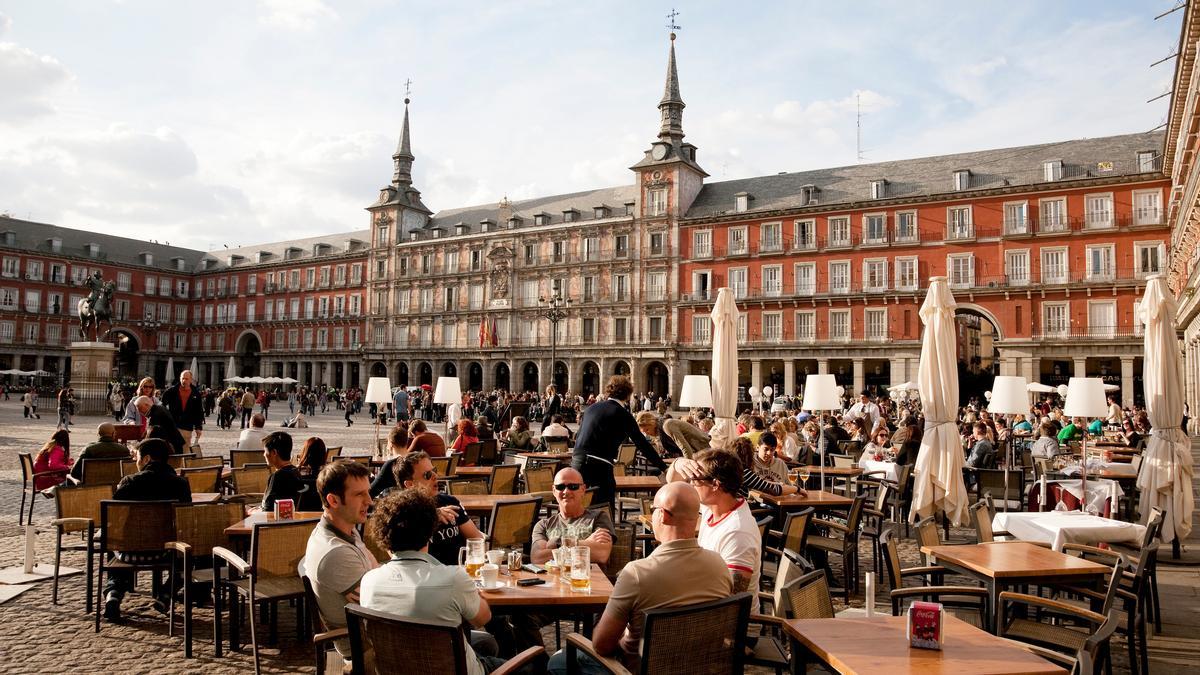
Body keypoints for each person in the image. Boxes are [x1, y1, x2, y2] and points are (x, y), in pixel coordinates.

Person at [547, 481, 731, 675]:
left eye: (653, 510)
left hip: (634, 669)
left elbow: (601, 645)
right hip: (701, 667)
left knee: (558, 662)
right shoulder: (719, 565)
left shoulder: (636, 573)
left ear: (662, 515)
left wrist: (626, 635)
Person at [360, 489, 509, 675]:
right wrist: (471, 590)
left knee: (486, 644)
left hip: (399, 669)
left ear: (383, 534)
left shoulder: (369, 581)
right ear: (430, 531)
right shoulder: (454, 579)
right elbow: (483, 619)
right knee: (529, 665)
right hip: (457, 669)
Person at [103, 438, 191, 622]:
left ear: (147, 459)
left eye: (137, 457)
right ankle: (166, 593)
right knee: (189, 555)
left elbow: (115, 518)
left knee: (115, 543)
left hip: (129, 552)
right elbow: (185, 520)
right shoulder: (180, 484)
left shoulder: (129, 482)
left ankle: (114, 592)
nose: (136, 461)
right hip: (166, 551)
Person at [302, 460, 377, 660]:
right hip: (366, 649)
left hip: (372, 635)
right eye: (359, 494)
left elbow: (375, 570)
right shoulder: (336, 553)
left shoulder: (345, 530)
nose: (369, 501)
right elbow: (378, 605)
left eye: (368, 492)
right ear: (333, 501)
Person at [572, 376, 667, 508]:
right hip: (599, 465)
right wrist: (663, 467)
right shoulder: (621, 413)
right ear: (627, 395)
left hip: (576, 462)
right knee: (604, 508)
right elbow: (642, 444)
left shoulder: (590, 409)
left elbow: (578, 436)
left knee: (577, 505)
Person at [691, 449, 761, 602]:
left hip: (724, 614)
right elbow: (672, 483)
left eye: (695, 479)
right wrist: (678, 464)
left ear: (715, 484)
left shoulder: (738, 532)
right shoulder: (714, 508)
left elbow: (733, 600)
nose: (691, 484)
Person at [392, 451, 485, 564]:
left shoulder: (449, 502)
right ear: (410, 485)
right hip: (427, 573)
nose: (435, 476)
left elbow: (477, 541)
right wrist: (430, 516)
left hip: (458, 571)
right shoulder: (399, 513)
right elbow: (402, 560)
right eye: (427, 475)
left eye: (434, 471)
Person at [530, 468, 615, 565]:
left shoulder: (599, 517)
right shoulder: (543, 525)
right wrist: (584, 544)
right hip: (554, 575)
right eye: (560, 487)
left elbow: (601, 554)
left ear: (583, 490)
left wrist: (557, 543)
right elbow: (537, 558)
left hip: (587, 574)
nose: (566, 491)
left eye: (573, 486)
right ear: (554, 490)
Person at [260, 431, 304, 511]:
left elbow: (267, 509)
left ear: (274, 453)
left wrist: (252, 512)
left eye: (265, 451)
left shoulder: (277, 477)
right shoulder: (295, 472)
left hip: (272, 517)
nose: (264, 454)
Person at [160, 370, 204, 447]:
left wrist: (198, 427)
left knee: (185, 449)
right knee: (171, 448)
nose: (184, 381)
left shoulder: (196, 393)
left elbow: (198, 411)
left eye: (186, 379)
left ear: (191, 380)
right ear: (180, 378)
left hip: (187, 426)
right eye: (182, 378)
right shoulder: (171, 391)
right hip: (172, 426)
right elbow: (162, 406)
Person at [370, 425, 414, 498]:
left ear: (391, 444)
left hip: (394, 501)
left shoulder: (391, 464)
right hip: (413, 499)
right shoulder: (415, 460)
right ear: (407, 442)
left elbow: (372, 491)